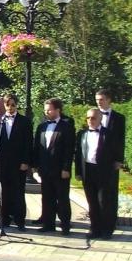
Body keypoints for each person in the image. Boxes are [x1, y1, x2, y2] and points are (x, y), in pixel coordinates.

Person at [75, 108, 123, 240]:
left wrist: (118, 162)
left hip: (103, 172)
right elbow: (79, 155)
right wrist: (78, 172)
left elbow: (117, 151)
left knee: (104, 202)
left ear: (100, 119)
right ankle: (94, 228)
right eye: (88, 118)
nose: (90, 120)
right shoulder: (82, 134)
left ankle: (107, 230)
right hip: (88, 171)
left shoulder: (109, 134)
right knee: (92, 202)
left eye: (93, 118)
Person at [33, 98, 75, 235]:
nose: (46, 112)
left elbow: (69, 149)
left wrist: (66, 168)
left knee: (62, 198)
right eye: (45, 109)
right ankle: (48, 224)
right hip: (45, 169)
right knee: (47, 198)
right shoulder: (42, 127)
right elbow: (37, 148)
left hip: (60, 170)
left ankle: (65, 225)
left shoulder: (67, 127)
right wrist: (35, 167)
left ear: (58, 110)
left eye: (49, 109)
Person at [0, 94, 32, 231]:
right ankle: (4, 219)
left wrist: (25, 161)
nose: (10, 107)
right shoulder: (1, 120)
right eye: (7, 105)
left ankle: (20, 220)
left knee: (18, 192)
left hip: (18, 162)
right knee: (5, 192)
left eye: (13, 105)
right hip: (4, 162)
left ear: (16, 105)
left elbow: (28, 143)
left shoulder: (24, 121)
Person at [95, 89, 125, 234]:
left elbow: (120, 141)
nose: (99, 102)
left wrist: (119, 160)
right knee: (96, 193)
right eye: (97, 100)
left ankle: (111, 223)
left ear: (108, 100)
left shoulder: (119, 118)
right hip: (94, 161)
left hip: (111, 161)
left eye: (101, 99)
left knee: (110, 192)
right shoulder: (92, 115)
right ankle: (97, 223)